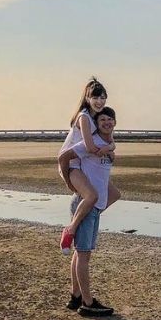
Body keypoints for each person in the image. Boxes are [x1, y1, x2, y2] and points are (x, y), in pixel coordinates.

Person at [57, 107, 118, 317]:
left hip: (93, 207)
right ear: (96, 123)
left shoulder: (107, 146)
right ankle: (88, 303)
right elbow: (64, 157)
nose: (106, 122)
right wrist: (68, 182)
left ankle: (75, 296)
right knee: (84, 255)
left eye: (110, 119)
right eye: (102, 120)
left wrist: (111, 149)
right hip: (85, 204)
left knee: (81, 253)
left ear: (115, 123)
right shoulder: (89, 145)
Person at [58, 78, 120, 249]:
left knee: (114, 194)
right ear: (87, 98)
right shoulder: (84, 117)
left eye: (102, 98)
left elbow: (111, 143)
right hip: (70, 163)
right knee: (91, 196)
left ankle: (88, 214)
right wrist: (67, 180)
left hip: (81, 161)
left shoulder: (95, 118)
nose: (99, 102)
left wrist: (109, 149)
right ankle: (71, 228)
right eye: (95, 98)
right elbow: (91, 146)